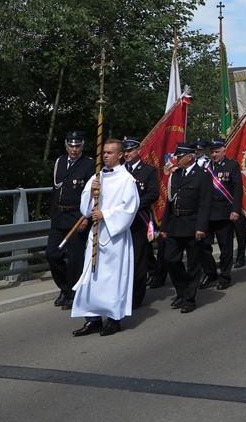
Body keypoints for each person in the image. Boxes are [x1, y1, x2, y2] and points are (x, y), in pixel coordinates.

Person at [71, 139, 139, 337]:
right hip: (96, 234)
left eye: (110, 152)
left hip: (115, 237)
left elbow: (130, 208)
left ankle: (113, 319)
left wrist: (106, 214)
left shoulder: (127, 180)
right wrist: (91, 193)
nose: (105, 156)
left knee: (112, 279)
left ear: (120, 155)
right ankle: (92, 319)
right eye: (104, 152)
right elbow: (85, 209)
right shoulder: (97, 177)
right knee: (92, 278)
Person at [159, 143, 212, 314]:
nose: (177, 159)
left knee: (194, 264)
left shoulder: (202, 176)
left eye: (180, 156)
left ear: (190, 157)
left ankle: (189, 299)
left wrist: (201, 227)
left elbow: (205, 204)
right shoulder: (176, 175)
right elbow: (170, 203)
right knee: (170, 259)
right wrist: (164, 226)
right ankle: (182, 291)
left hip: (193, 223)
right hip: (175, 223)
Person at [47, 131, 95, 310]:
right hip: (59, 216)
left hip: (77, 217)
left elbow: (92, 194)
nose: (74, 149)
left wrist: (85, 217)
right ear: (66, 145)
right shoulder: (60, 162)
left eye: (77, 146)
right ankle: (64, 287)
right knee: (52, 254)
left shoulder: (89, 164)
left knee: (75, 257)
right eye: (71, 145)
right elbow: (56, 190)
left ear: (83, 146)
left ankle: (73, 293)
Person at [200, 137, 244, 290]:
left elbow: (237, 189)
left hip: (224, 212)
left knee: (225, 248)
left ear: (224, 150)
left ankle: (225, 276)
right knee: (203, 245)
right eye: (212, 152)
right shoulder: (205, 166)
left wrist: (236, 209)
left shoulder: (232, 166)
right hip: (207, 213)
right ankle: (210, 273)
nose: (214, 155)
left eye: (217, 151)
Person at [121, 136, 159, 309]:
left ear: (138, 150)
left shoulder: (148, 171)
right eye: (125, 151)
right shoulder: (119, 171)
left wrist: (133, 206)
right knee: (123, 261)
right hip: (121, 223)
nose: (127, 154)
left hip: (138, 221)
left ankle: (136, 296)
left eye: (130, 150)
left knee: (138, 261)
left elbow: (153, 194)